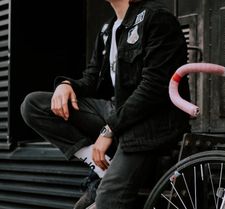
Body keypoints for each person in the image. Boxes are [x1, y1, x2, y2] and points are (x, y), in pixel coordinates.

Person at [20, 0, 190, 208]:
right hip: (117, 115)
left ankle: (107, 177)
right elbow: (92, 79)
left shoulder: (157, 19)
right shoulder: (108, 29)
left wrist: (109, 129)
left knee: (106, 203)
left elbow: (155, 87)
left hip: (150, 128)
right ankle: (101, 167)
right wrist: (66, 85)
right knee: (34, 105)